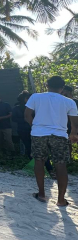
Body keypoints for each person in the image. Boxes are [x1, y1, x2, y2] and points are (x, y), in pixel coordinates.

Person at [25, 76, 78, 207]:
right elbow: (74, 122)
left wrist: (36, 126)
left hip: (39, 134)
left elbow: (26, 115)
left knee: (39, 161)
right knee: (61, 165)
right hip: (59, 135)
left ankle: (42, 194)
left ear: (47, 84)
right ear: (62, 88)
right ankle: (61, 200)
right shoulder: (69, 101)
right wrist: (73, 134)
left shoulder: (35, 97)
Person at [13, 91, 55, 176]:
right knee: (30, 149)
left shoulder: (35, 107)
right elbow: (14, 119)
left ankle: (49, 169)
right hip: (24, 131)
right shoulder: (16, 108)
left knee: (42, 149)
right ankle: (36, 168)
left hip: (36, 131)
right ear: (25, 99)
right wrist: (25, 120)